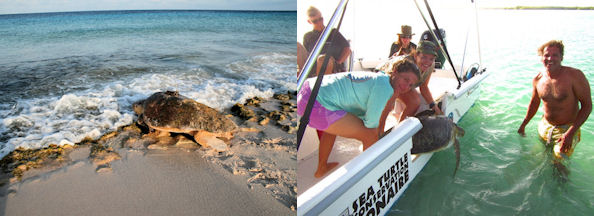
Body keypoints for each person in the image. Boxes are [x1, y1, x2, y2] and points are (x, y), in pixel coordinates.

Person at [297, 59, 420, 178]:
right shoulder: (384, 87)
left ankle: (321, 168)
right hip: (316, 104)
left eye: (410, 85)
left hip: (307, 92)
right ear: (395, 71)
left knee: (332, 129)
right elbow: (371, 124)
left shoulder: (381, 78)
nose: (406, 87)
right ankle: (368, 176)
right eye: (405, 79)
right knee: (370, 135)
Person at [517, 40, 591, 160]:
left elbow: (587, 106)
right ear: (541, 57)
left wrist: (570, 133)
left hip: (568, 128)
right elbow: (534, 103)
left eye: (555, 55)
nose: (550, 58)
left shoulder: (575, 76)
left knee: (559, 163)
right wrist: (523, 124)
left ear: (561, 57)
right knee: (540, 158)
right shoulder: (538, 79)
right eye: (546, 55)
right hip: (545, 126)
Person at [378, 40, 443, 121]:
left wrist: (435, 107)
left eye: (431, 59)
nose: (427, 62)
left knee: (424, 104)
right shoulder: (407, 64)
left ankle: (402, 125)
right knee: (414, 101)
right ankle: (397, 129)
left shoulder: (430, 65)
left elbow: (424, 87)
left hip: (402, 86)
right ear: (416, 55)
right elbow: (393, 85)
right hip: (384, 81)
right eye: (424, 57)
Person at [303, 6, 351, 73]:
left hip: (333, 65)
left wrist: (339, 62)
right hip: (314, 67)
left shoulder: (333, 32)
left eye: (320, 19)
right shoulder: (308, 36)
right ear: (309, 22)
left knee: (323, 59)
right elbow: (305, 55)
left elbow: (347, 49)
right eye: (315, 21)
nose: (319, 22)